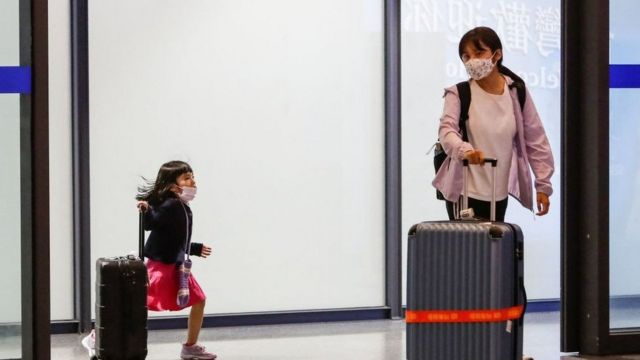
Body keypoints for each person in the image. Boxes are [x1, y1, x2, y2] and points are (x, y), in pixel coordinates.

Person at [433, 26, 554, 221]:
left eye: (479, 52)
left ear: (497, 55)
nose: (473, 60)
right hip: (465, 190)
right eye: (466, 56)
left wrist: (543, 185)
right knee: (466, 249)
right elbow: (446, 132)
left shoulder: (516, 92)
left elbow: (536, 139)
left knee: (493, 249)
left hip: (498, 193)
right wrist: (465, 150)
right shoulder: (458, 93)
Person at [137, 160, 217, 360]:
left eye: (192, 176)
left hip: (176, 265)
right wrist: (146, 210)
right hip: (162, 267)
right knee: (137, 303)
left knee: (199, 300)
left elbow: (174, 238)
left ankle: (190, 346)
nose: (193, 181)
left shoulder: (181, 205)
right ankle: (100, 334)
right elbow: (151, 224)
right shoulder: (172, 205)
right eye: (186, 178)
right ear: (173, 186)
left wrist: (194, 249)